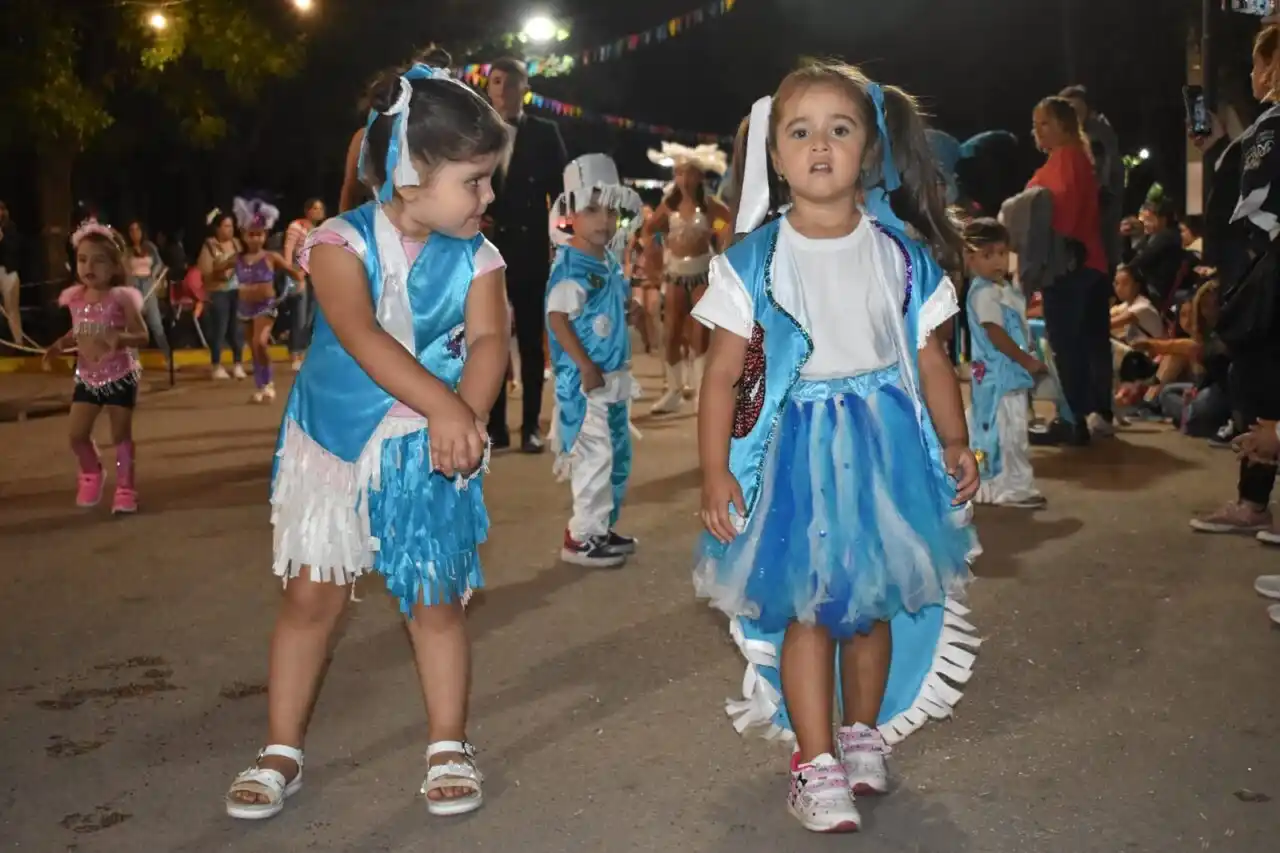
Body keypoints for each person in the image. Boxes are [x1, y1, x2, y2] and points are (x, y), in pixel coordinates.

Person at [693, 61, 980, 834]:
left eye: (840, 129)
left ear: (869, 152)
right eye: (800, 132)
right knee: (811, 610)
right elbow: (721, 377)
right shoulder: (753, 262)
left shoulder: (901, 256)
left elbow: (930, 358)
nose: (820, 145)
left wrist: (956, 440)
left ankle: (862, 733)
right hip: (794, 454)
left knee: (875, 602)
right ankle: (813, 760)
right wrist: (716, 469)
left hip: (884, 452)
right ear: (776, 158)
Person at [223, 61, 509, 820]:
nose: (488, 196)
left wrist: (467, 414)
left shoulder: (480, 255)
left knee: (435, 600)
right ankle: (282, 746)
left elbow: (488, 340)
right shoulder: (335, 245)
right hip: (336, 447)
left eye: (488, 180)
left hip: (429, 451)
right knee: (310, 597)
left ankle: (448, 740)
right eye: (475, 180)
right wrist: (445, 406)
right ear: (411, 178)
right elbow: (358, 333)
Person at [1189, 25, 1280, 544]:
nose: (1251, 74)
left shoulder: (1272, 125)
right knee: (1260, 378)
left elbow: (1257, 203)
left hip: (1262, 268)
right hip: (1253, 268)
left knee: (1260, 377)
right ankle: (1252, 500)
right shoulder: (1257, 128)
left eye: (1256, 63)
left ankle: (1252, 503)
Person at [545, 153, 644, 567]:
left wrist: (630, 310)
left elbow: (607, 305)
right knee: (594, 458)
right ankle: (581, 536)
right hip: (587, 385)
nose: (603, 220)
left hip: (610, 379)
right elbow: (558, 319)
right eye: (591, 210)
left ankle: (600, 528)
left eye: (609, 210)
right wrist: (584, 365)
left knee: (616, 456)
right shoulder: (572, 266)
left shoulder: (605, 261)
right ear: (570, 214)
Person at [485, 55, 569, 453]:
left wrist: (562, 244)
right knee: (492, 338)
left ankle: (531, 427)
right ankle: (495, 425)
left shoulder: (545, 132)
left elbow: (563, 196)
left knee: (532, 341)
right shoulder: (476, 132)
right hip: (485, 249)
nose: (503, 90)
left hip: (532, 246)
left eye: (510, 83)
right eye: (496, 82)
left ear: (524, 89)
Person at [43, 220, 149, 515]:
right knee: (76, 434)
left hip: (120, 377)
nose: (89, 266)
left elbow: (143, 335)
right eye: (82, 259)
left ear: (115, 266)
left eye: (99, 260)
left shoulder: (121, 298)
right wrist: (58, 346)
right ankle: (91, 472)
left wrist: (121, 338)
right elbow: (77, 333)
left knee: (120, 436)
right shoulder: (75, 298)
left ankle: (126, 488)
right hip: (87, 378)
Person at [1028, 96, 1113, 444]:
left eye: (1044, 123)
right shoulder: (1080, 157)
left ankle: (1072, 418)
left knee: (1066, 345)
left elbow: (1059, 213)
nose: (1037, 131)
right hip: (1092, 263)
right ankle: (1097, 413)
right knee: (1092, 342)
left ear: (1064, 124)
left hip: (1067, 266)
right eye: (1035, 125)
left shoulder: (1064, 159)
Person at [963, 218, 1048, 509]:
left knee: (1011, 432)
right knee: (1004, 435)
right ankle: (1007, 489)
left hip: (1009, 377)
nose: (997, 261)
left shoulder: (1004, 289)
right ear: (970, 258)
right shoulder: (984, 292)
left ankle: (1008, 486)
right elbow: (995, 332)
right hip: (998, 378)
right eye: (988, 255)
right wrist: (1026, 359)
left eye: (1002, 253)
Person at [643, 143, 732, 414]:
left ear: (700, 177)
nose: (684, 179)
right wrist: (654, 259)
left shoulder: (711, 208)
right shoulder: (668, 207)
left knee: (701, 332)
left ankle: (700, 391)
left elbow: (726, 228)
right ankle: (674, 390)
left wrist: (723, 253)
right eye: (679, 173)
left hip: (703, 272)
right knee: (671, 333)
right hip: (675, 275)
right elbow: (649, 231)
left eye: (689, 173)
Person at [232, 197, 301, 403]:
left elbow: (294, 272)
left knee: (259, 342)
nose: (255, 238)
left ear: (265, 235)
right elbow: (212, 272)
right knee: (254, 348)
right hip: (245, 307)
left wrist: (300, 281)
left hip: (266, 306)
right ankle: (261, 386)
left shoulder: (271, 257)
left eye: (259, 234)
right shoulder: (237, 259)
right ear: (244, 235)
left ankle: (269, 383)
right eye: (251, 234)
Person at [1060, 85, 1124, 271]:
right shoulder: (1064, 139)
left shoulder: (1098, 136)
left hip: (1096, 222)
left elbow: (1105, 173)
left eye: (1078, 110)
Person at [198, 210, 246, 380]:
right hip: (219, 292)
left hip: (236, 290)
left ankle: (238, 364)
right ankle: (216, 365)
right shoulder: (209, 246)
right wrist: (225, 266)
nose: (230, 229)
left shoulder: (237, 244)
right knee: (220, 329)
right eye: (226, 226)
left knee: (236, 329)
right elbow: (205, 271)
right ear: (217, 228)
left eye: (231, 226)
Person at [282, 199, 325, 370]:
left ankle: (304, 352)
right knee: (299, 315)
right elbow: (288, 249)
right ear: (307, 210)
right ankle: (295, 353)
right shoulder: (296, 226)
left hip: (315, 275)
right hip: (298, 274)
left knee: (311, 316)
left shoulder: (321, 230)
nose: (318, 211)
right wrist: (290, 272)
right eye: (315, 208)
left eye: (320, 208)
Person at [123, 220, 172, 361]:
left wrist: (154, 275)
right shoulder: (127, 251)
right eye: (131, 230)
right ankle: (134, 361)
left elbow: (159, 264)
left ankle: (168, 358)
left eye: (137, 229)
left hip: (149, 285)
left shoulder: (149, 247)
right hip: (134, 287)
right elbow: (124, 269)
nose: (134, 233)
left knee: (156, 324)